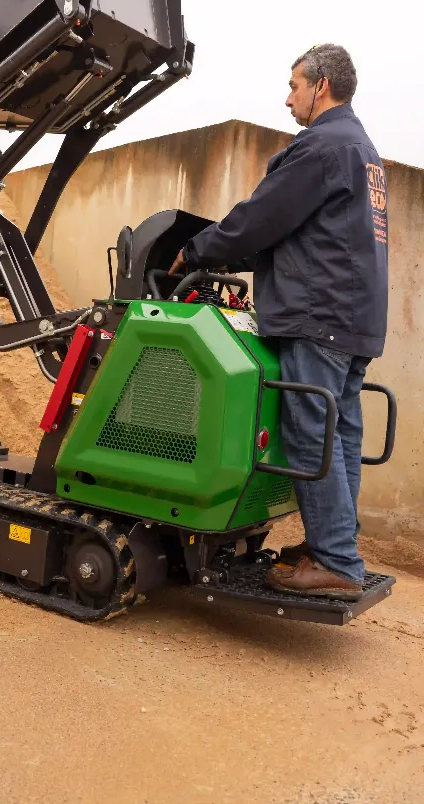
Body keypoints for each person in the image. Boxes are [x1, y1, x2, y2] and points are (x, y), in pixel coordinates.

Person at [169, 44, 388, 600]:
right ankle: (333, 546)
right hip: (353, 318)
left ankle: (337, 561)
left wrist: (197, 251)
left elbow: (262, 218)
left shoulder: (322, 146)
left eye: (294, 86)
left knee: (311, 434)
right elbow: (305, 234)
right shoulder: (362, 150)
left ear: (321, 87)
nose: (288, 98)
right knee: (339, 435)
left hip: (319, 317)